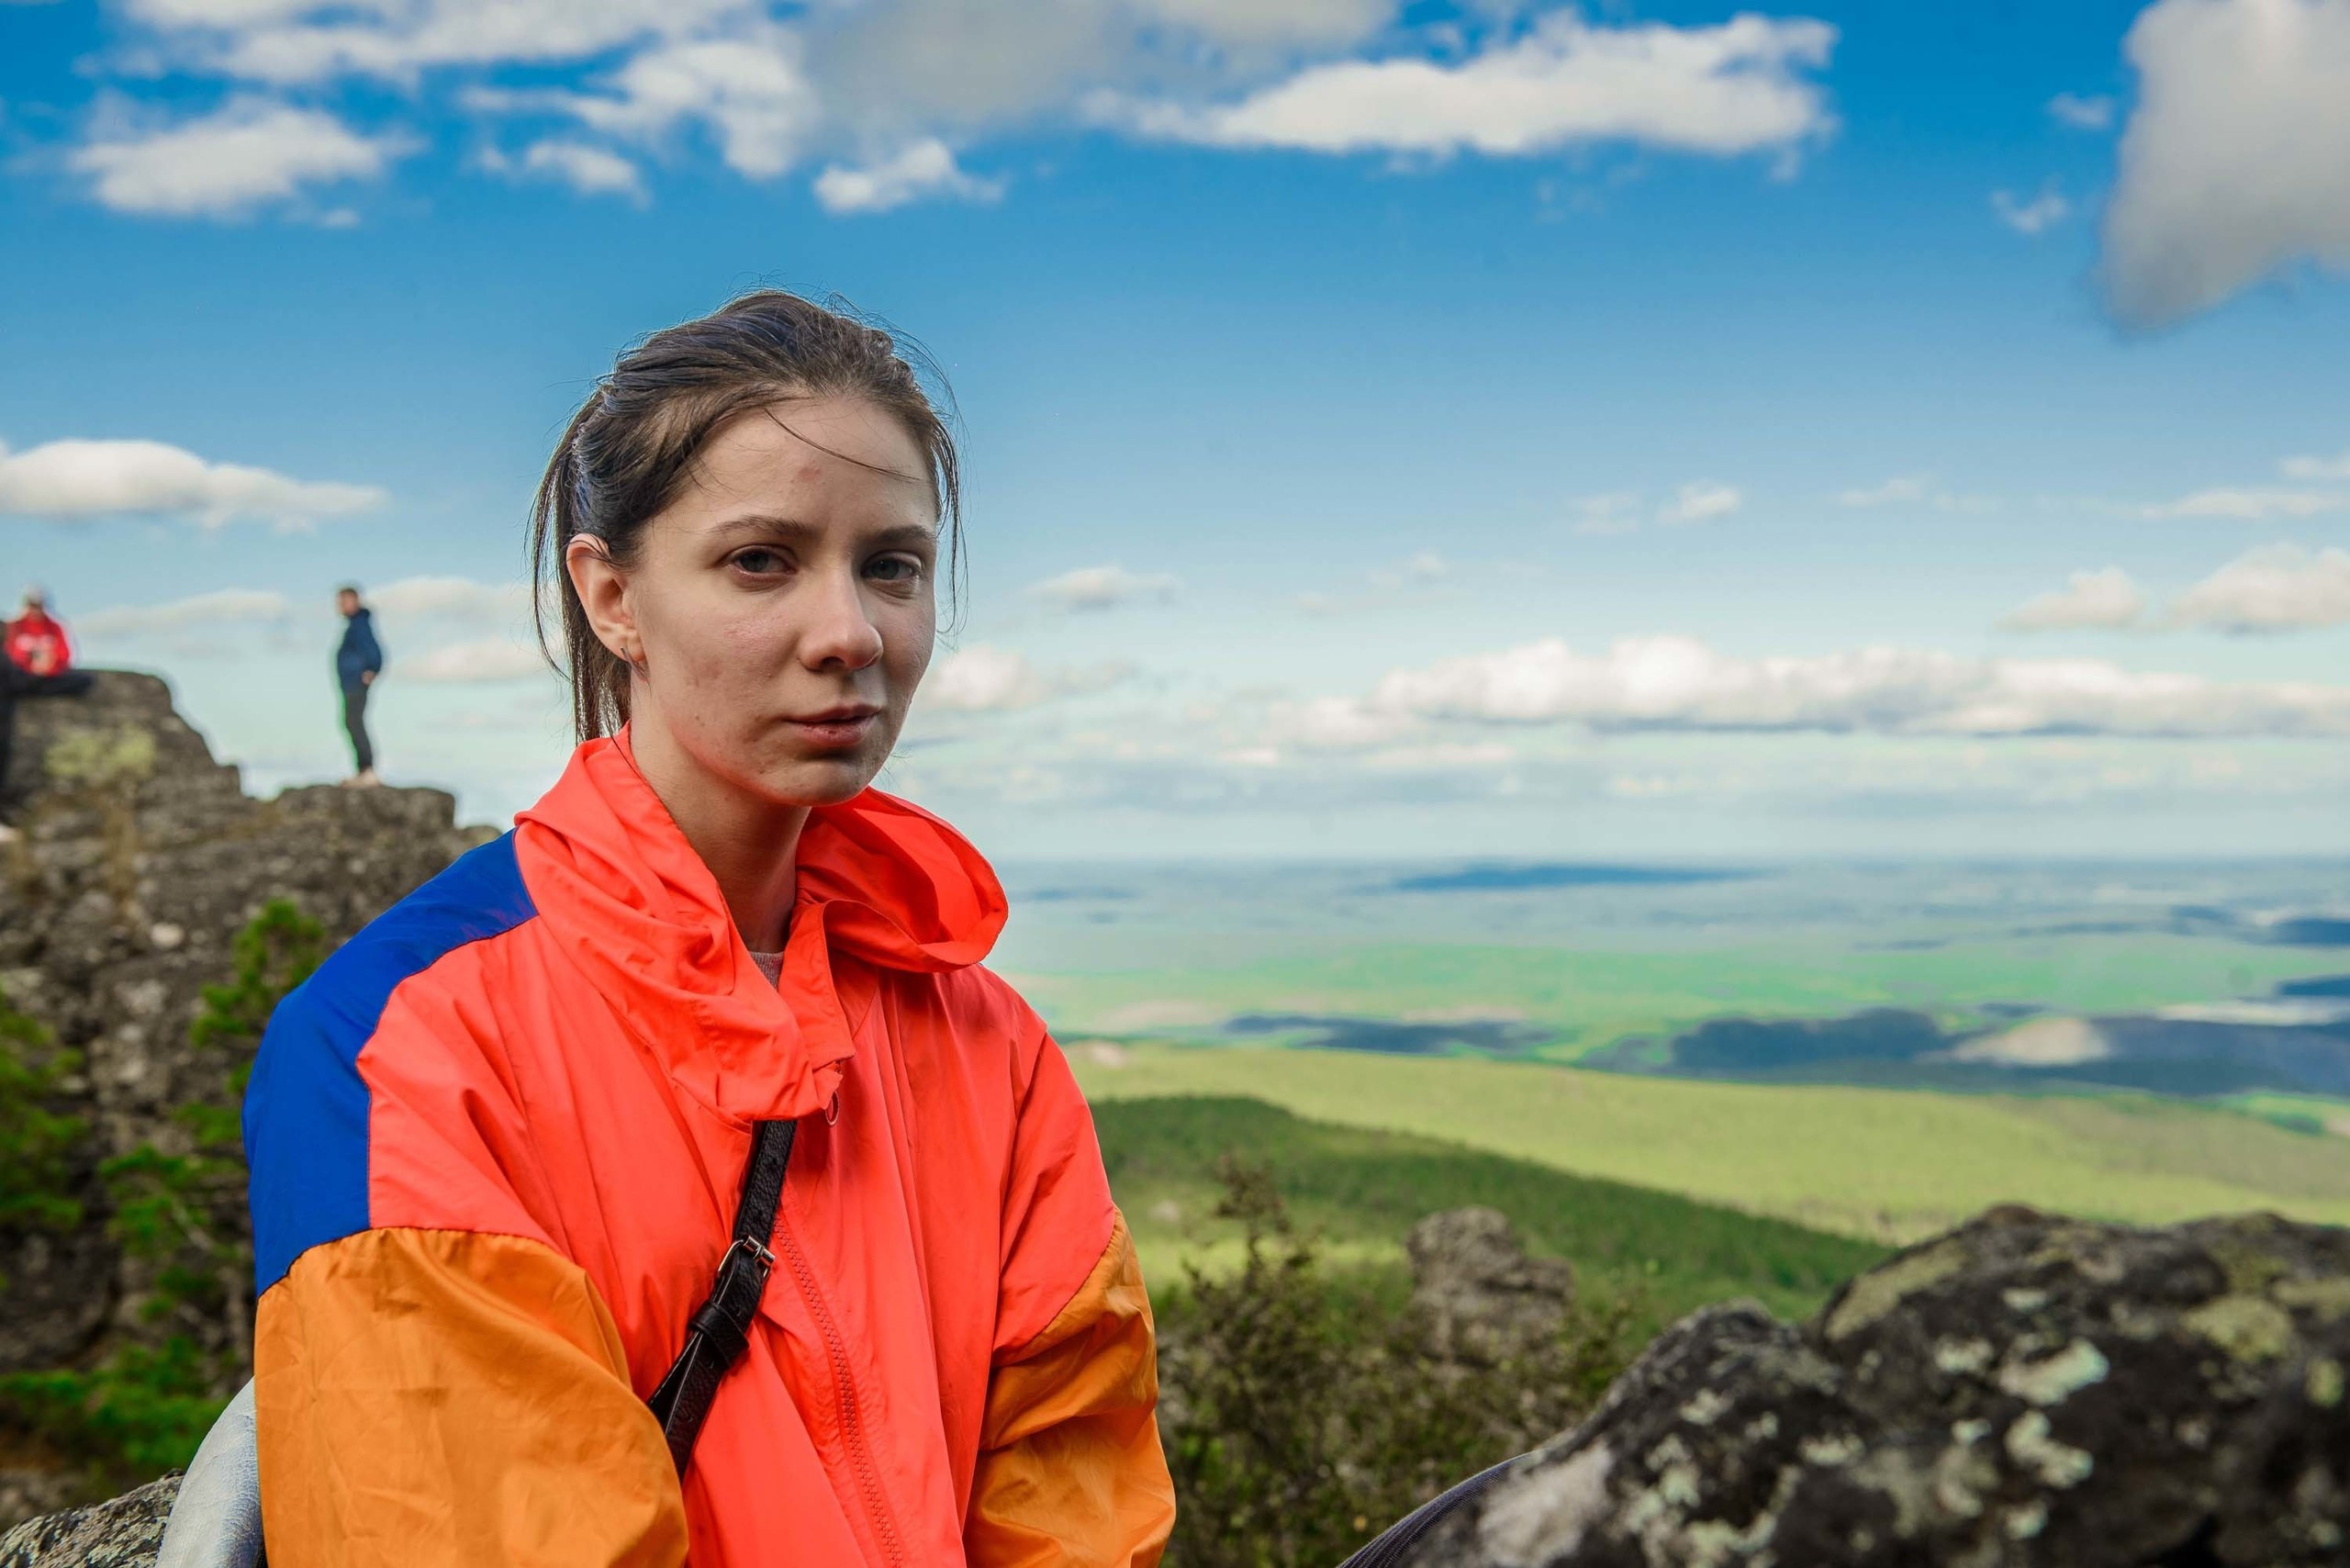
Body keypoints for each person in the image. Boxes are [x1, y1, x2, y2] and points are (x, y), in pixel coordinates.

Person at [240, 292, 1176, 1567]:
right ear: (612, 594)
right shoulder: (395, 1052)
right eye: (760, 561)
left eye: (891, 564)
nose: (850, 633)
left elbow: (1073, 1505)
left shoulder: (985, 1041)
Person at [0, 587, 96, 846]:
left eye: (39, 604)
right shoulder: (13, 627)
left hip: (36, 679)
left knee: (84, 680)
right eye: (32, 604)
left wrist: (46, 666)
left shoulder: (55, 627)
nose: (36, 609)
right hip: (15, 680)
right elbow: (10, 656)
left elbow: (64, 656)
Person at [333, 585, 382, 786]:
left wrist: (371, 669)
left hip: (356, 683)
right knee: (351, 722)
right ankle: (364, 770)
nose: (339, 606)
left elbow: (375, 651)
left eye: (343, 601)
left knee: (354, 722)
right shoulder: (355, 625)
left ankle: (367, 770)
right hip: (351, 683)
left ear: (354, 601)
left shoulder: (360, 625)